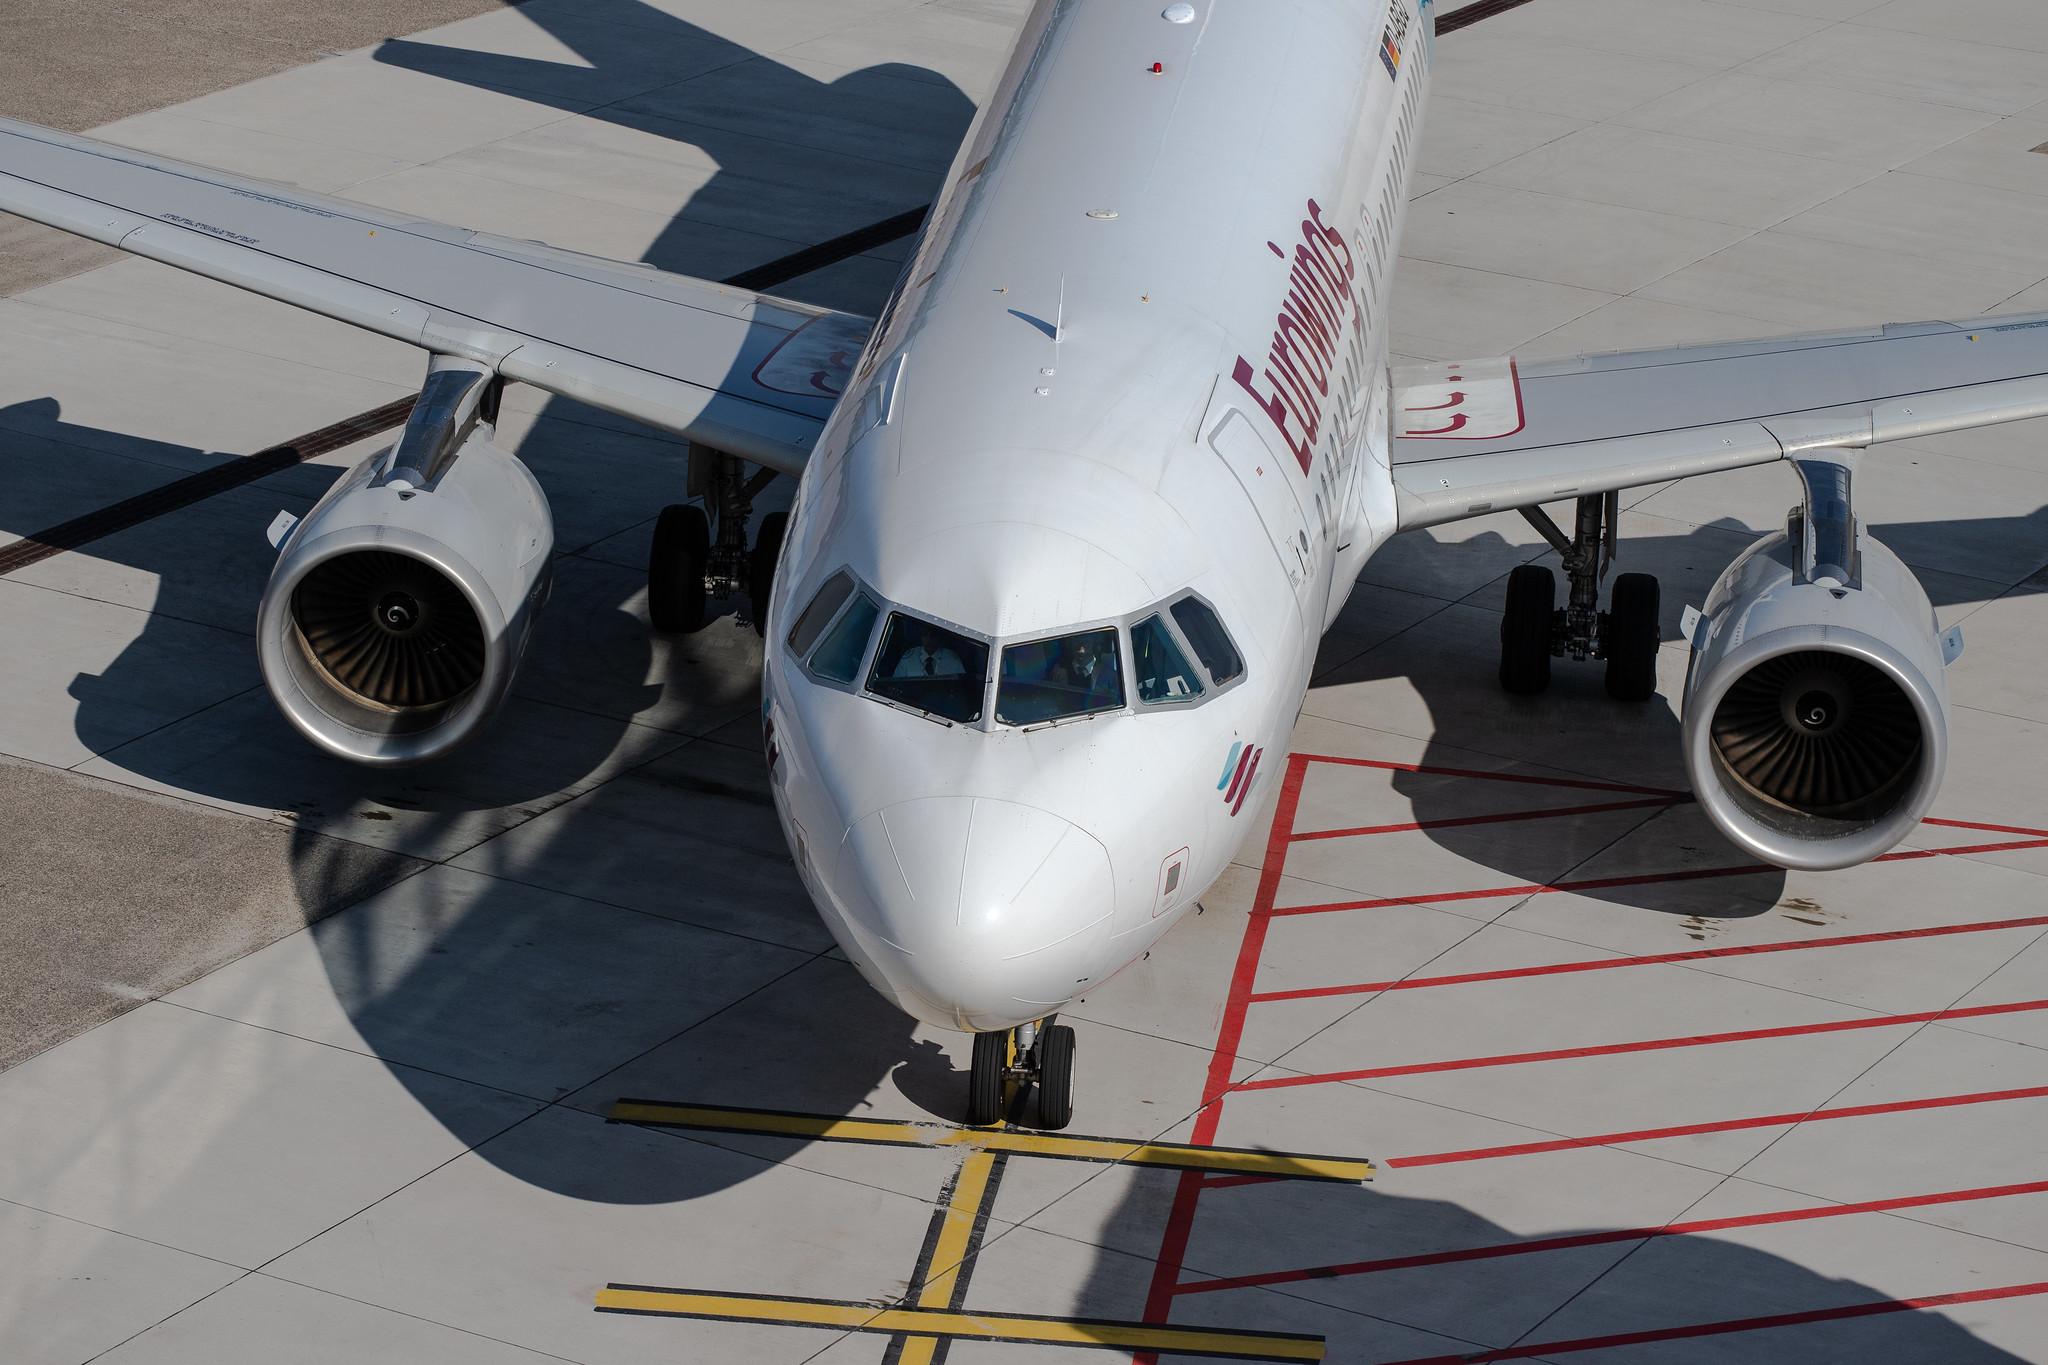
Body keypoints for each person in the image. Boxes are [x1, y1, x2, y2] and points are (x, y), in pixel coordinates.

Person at [893, 622, 965, 678]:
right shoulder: (909, 657)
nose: (928, 639)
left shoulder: (952, 658)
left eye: (932, 635)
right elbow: (896, 684)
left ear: (939, 637)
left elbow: (961, 686)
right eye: (924, 634)